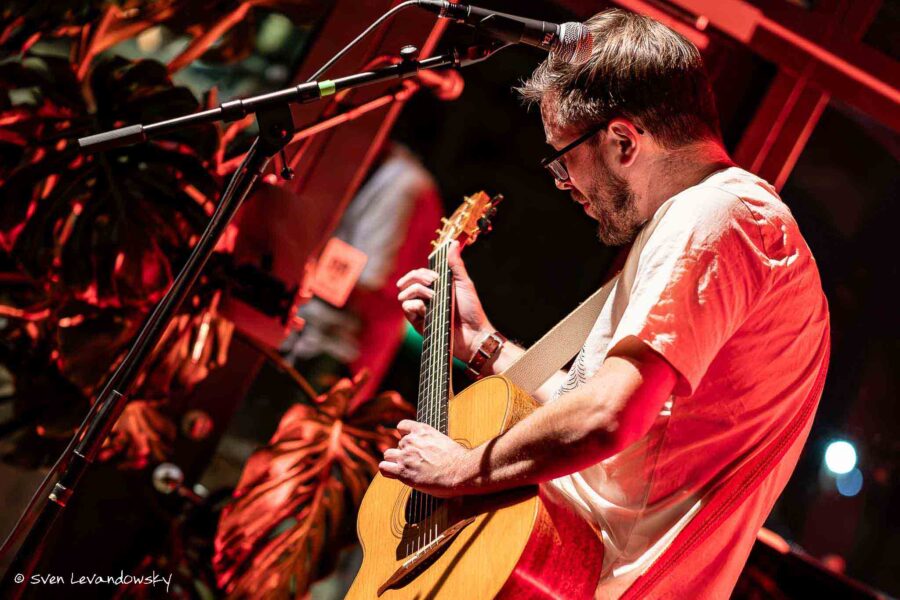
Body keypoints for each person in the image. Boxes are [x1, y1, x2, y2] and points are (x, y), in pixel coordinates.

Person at [380, 9, 830, 599]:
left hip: (593, 577)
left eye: (562, 158)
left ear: (622, 141)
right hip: (565, 564)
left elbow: (607, 418)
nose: (562, 183)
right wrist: (482, 343)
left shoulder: (716, 219)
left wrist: (458, 470)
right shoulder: (706, 220)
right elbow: (606, 420)